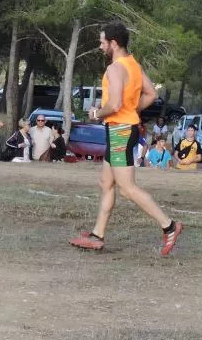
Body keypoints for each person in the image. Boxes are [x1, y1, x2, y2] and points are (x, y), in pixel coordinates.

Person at [69, 21, 183, 255]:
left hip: (120, 131)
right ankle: (97, 234)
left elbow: (114, 104)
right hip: (122, 128)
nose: (100, 46)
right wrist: (132, 110)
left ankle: (169, 226)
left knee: (127, 188)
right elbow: (151, 94)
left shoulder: (115, 69)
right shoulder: (133, 64)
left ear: (113, 43)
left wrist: (96, 114)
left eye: (102, 42)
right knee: (106, 182)